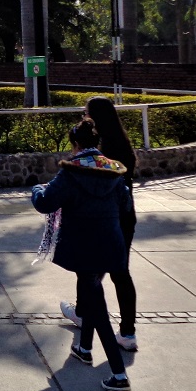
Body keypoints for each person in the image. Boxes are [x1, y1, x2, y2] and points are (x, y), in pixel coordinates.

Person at [31, 119, 133, 391]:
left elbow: (45, 203)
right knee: (91, 293)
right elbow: (125, 204)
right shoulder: (113, 170)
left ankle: (118, 373)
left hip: (84, 246)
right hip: (110, 243)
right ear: (95, 143)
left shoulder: (70, 173)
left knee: (97, 308)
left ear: (75, 144)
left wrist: (36, 189)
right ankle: (84, 348)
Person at [60, 97, 140, 350]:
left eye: (85, 113)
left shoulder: (98, 153)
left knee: (88, 269)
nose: (83, 117)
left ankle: (83, 315)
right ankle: (128, 333)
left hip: (101, 218)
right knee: (120, 272)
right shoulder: (124, 146)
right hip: (125, 217)